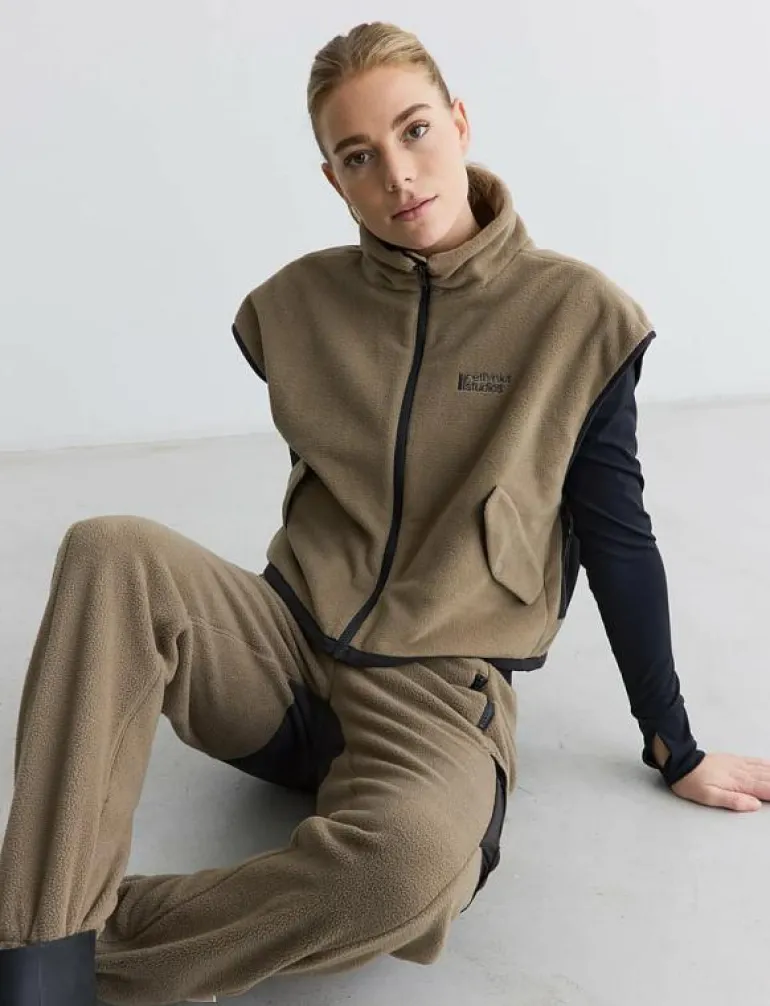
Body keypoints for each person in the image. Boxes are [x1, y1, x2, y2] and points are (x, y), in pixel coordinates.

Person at [1, 20, 769, 1006]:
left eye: (414, 131)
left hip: (435, 688)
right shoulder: (294, 306)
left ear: (459, 123)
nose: (398, 175)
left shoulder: (576, 317)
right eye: (359, 156)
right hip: (280, 659)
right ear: (333, 179)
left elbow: (620, 540)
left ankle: (73, 952)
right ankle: (37, 950)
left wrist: (673, 742)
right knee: (109, 548)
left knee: (402, 873)